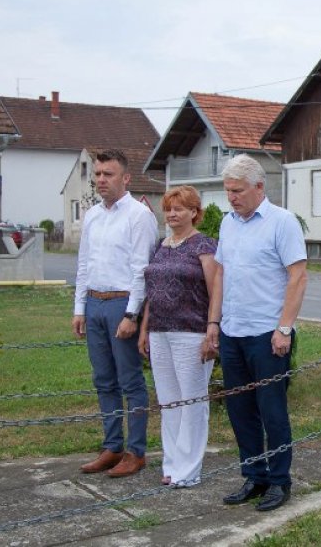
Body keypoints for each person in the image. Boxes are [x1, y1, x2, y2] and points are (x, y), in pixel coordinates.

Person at [205, 154, 307, 512]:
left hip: (267, 335)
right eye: (228, 191)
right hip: (232, 332)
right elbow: (220, 274)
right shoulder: (229, 224)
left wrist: (284, 328)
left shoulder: (283, 222)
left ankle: (280, 481)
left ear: (259, 187)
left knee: (272, 410)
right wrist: (213, 323)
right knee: (240, 410)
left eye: (238, 191)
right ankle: (254, 475)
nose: (231, 198)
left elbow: (298, 276)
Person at [73, 149, 158, 477]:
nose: (101, 180)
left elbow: (142, 270)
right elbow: (84, 264)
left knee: (130, 381)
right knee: (103, 380)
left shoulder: (139, 215)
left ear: (126, 178)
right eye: (97, 174)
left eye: (108, 174)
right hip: (94, 303)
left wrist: (132, 314)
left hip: (122, 304)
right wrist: (80, 307)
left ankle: (136, 452)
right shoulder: (93, 215)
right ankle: (112, 447)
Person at [138, 186, 217, 488]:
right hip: (159, 332)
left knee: (192, 402)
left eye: (180, 208)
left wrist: (213, 328)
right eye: (169, 208)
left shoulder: (205, 246)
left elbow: (216, 292)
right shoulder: (161, 246)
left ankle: (189, 469)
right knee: (169, 402)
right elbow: (151, 293)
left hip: (191, 332)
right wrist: (145, 329)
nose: (172, 214)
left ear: (194, 212)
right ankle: (171, 464)